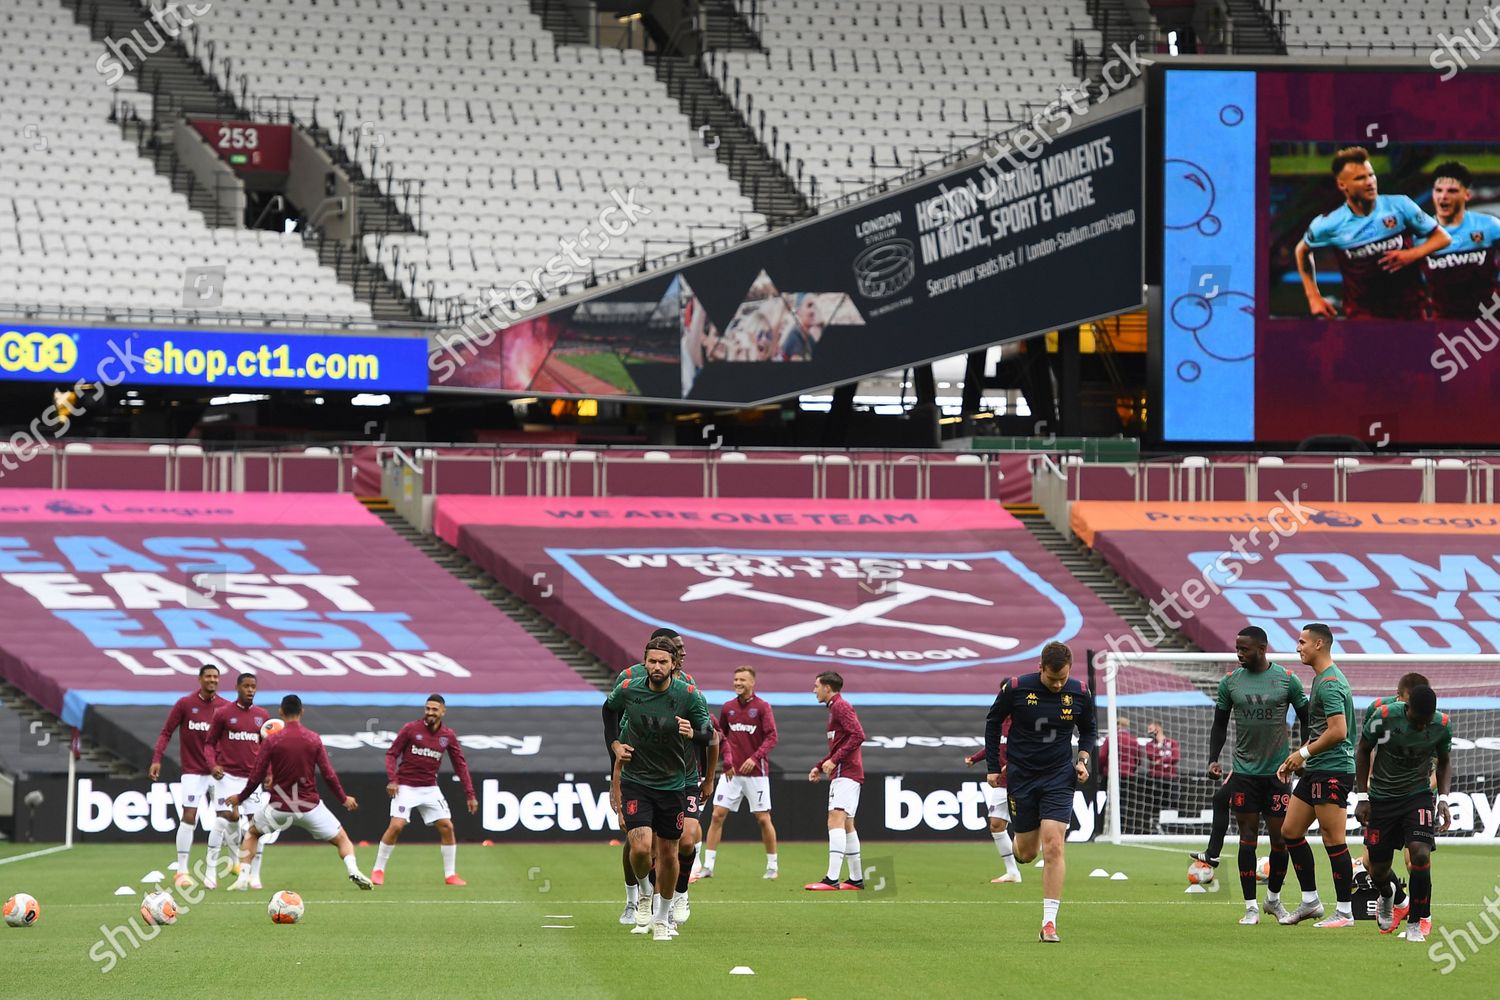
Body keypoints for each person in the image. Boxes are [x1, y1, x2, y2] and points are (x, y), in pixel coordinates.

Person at [985, 641, 1096, 942]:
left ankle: (1049, 922)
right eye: (1052, 678)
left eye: (1063, 678)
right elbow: (993, 723)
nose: (1058, 684)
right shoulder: (1017, 688)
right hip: (1022, 777)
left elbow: (1088, 731)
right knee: (1027, 853)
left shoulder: (1080, 692)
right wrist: (994, 766)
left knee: (1054, 846)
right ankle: (1016, 850)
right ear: (1040, 668)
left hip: (1059, 776)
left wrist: (1082, 760)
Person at [606, 637, 714, 941]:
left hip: (674, 784)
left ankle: (663, 918)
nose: (656, 667)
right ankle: (643, 893)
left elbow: (709, 735)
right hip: (637, 782)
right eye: (651, 661)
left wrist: (694, 733)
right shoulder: (629, 688)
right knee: (639, 848)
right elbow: (608, 710)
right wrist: (615, 744)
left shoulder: (689, 695)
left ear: (673, 665)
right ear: (645, 662)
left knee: (670, 853)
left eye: (662, 662)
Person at [1201, 626, 1310, 924]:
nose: (1239, 653)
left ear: (1262, 649)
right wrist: (1213, 759)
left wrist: (1301, 754)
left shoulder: (1287, 680)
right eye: (1237, 648)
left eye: (1244, 649)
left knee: (1281, 841)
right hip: (1245, 775)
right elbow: (1219, 725)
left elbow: (1307, 719)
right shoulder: (1230, 682)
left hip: (1278, 775)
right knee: (1247, 839)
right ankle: (1250, 906)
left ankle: (1273, 900)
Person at [225, 695, 374, 891]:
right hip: (310, 807)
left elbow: (256, 775)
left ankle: (244, 877)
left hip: (279, 808)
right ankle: (353, 869)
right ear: (301, 712)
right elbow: (328, 775)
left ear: (281, 712)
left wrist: (240, 797)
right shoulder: (313, 739)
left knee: (252, 833)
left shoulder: (272, 741)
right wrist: (343, 798)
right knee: (342, 839)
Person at [1296, 145, 1450, 319]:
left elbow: (1442, 237)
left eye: (1371, 175)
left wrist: (1412, 254)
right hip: (1363, 315)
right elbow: (1302, 250)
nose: (1369, 182)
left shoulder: (1400, 205)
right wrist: (1313, 297)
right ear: (1342, 184)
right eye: (1360, 178)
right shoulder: (1329, 224)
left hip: (1411, 311)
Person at [1275, 623, 1358, 927]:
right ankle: (1310, 901)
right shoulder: (1322, 680)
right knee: (1291, 831)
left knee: (1333, 839)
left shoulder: (1331, 683)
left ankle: (1346, 912)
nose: (1298, 647)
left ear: (1319, 645)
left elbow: (1339, 731)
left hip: (1333, 769)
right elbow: (1324, 730)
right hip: (1316, 768)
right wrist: (1297, 757)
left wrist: (1303, 754)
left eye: (1302, 642)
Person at [1356, 685, 1452, 943]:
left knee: (1420, 854)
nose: (1423, 726)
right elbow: (1363, 750)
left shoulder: (1441, 724)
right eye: (1418, 721)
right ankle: (1388, 894)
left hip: (1417, 795)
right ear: (1407, 708)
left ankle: (1415, 924)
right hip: (1382, 798)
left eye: (1427, 720)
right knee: (1376, 867)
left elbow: (1444, 761)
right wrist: (1362, 796)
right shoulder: (1385, 716)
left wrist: (1443, 798)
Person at [372, 694, 479, 886]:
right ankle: (378, 870)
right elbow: (391, 754)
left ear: (443, 712)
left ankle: (450, 875)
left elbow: (460, 765)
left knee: (447, 826)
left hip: (430, 788)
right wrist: (393, 780)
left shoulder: (448, 736)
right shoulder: (411, 729)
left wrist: (470, 794)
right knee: (396, 826)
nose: (430, 712)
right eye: (427, 708)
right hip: (405, 786)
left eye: (434, 709)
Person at [148, 664, 230, 890]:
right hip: (193, 771)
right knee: (189, 815)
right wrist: (157, 759)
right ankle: (182, 870)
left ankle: (213, 869)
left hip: (218, 772)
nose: (212, 680)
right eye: (209, 677)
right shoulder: (185, 704)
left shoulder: (225, 707)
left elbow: (232, 740)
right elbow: (166, 732)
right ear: (200, 679)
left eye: (216, 677)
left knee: (224, 817)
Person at [699, 666, 779, 881]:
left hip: (756, 774)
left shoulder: (762, 707)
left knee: (763, 819)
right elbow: (722, 736)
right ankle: (708, 866)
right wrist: (727, 759)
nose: (738, 683)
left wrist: (754, 758)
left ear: (752, 683)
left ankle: (772, 866)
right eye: (735, 679)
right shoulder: (728, 708)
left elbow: (772, 737)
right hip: (731, 773)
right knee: (717, 815)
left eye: (742, 679)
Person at [202, 671, 271, 889]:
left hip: (252, 780)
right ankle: (211, 872)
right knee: (223, 819)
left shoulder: (262, 716)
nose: (250, 690)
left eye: (253, 686)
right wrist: (213, 765)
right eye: (247, 686)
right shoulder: (223, 714)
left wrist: (268, 772)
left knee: (256, 826)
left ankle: (254, 875)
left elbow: (268, 748)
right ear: (238, 688)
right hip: (228, 777)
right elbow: (209, 744)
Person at [805, 671, 866, 892]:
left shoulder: (840, 706)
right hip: (846, 770)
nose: (814, 690)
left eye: (816, 686)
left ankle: (831, 879)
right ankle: (856, 879)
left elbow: (858, 735)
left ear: (828, 688)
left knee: (835, 819)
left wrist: (834, 760)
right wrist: (821, 765)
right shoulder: (835, 708)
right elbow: (841, 743)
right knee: (847, 823)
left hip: (845, 772)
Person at [1424, 161, 1500, 319]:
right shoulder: (1420, 235)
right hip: (1444, 323)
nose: (1443, 197)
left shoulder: (1490, 226)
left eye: (1452, 191)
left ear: (1467, 195)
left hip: (1489, 320)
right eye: (1438, 190)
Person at [964, 714, 1021, 884]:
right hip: (1001, 783)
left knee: (1026, 829)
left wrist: (1013, 763)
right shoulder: (1001, 722)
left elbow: (1031, 749)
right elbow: (993, 747)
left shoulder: (1024, 720)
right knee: (996, 825)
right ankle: (1012, 872)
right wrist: (974, 759)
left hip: (1021, 782)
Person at [1097, 716, 1143, 833]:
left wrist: (1101, 770)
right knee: (1124, 802)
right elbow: (1138, 759)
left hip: (1112, 775)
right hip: (1127, 776)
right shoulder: (1133, 740)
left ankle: (1107, 828)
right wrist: (1131, 769)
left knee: (1110, 801)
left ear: (1117, 725)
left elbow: (1102, 756)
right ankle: (1123, 829)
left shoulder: (1111, 738)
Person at [1144, 720, 1181, 831]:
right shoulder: (1150, 745)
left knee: (1171, 800)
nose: (1148, 731)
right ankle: (1155, 825)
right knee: (1155, 801)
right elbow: (1151, 756)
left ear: (1158, 728)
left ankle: (1169, 826)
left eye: (1150, 729)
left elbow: (1175, 757)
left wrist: (1160, 761)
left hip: (1170, 776)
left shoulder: (1172, 743)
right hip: (1155, 777)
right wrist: (1163, 759)